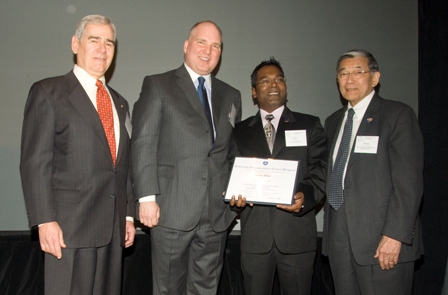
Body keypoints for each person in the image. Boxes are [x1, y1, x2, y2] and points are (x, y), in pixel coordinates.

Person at [19, 15, 135, 295]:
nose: (102, 48)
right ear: (75, 44)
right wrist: (44, 220)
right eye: (94, 40)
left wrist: (128, 216)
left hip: (112, 229)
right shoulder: (49, 92)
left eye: (109, 42)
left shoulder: (119, 102)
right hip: (68, 229)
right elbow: (35, 163)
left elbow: (123, 166)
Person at [131, 20, 242, 294]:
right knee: (169, 288)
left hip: (216, 214)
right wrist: (146, 198)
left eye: (215, 45)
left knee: (206, 288)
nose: (208, 50)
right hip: (171, 209)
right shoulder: (158, 85)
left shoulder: (231, 95)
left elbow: (229, 152)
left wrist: (239, 189)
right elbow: (143, 143)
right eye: (201, 42)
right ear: (186, 46)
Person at [322, 49, 424, 294]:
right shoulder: (334, 121)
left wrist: (395, 236)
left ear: (375, 78)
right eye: (343, 74)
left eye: (358, 72)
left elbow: (408, 183)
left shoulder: (397, 115)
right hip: (339, 242)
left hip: (382, 243)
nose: (350, 80)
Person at [229, 57, 327, 294]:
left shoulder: (309, 124)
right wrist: (234, 198)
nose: (274, 85)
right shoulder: (240, 131)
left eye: (279, 79)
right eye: (265, 81)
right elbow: (230, 173)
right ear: (254, 92)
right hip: (255, 238)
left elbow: (321, 168)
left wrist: (306, 196)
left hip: (297, 237)